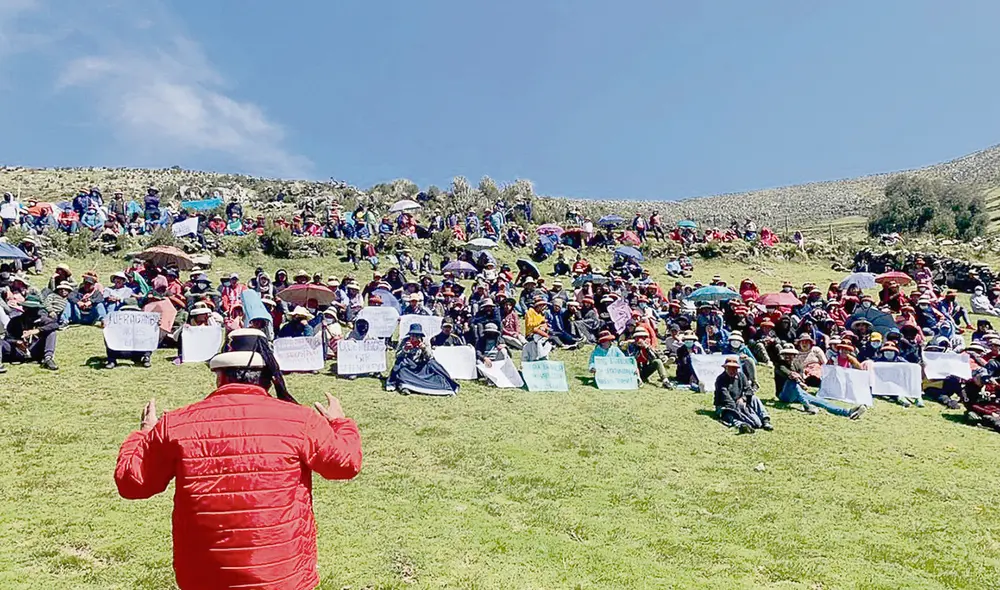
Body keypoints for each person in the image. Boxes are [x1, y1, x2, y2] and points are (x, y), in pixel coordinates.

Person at [114, 349, 361, 590]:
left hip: (204, 575)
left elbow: (133, 483)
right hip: (281, 574)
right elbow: (346, 464)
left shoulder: (176, 424)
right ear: (269, 378)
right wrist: (341, 423)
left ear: (219, 376)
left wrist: (144, 434)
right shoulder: (300, 420)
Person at [774, 343, 867, 419]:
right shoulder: (779, 364)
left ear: (794, 356)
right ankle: (806, 406)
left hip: (798, 393)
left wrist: (802, 383)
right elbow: (790, 374)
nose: (788, 357)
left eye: (790, 355)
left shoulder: (797, 365)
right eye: (786, 355)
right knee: (792, 380)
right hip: (784, 395)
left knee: (821, 402)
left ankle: (847, 412)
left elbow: (801, 378)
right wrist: (799, 381)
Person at [386, 325, 459, 396]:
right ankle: (405, 386)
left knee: (433, 365)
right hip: (408, 368)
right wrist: (405, 349)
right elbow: (397, 356)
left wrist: (424, 349)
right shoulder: (404, 341)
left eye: (417, 336)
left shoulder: (425, 342)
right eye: (412, 335)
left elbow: (430, 357)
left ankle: (443, 385)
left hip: (421, 368)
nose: (414, 338)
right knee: (400, 366)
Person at [0, 295, 59, 371]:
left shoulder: (43, 319)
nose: (31, 312)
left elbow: (55, 325)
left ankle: (48, 359)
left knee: (51, 333)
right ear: (24, 308)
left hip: (35, 349)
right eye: (28, 308)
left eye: (34, 309)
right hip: (18, 351)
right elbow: (7, 338)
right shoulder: (15, 321)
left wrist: (37, 330)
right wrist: (16, 342)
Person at [715, 357, 772, 434]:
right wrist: (737, 407)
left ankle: (765, 420)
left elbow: (749, 390)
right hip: (726, 405)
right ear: (725, 368)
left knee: (754, 399)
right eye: (730, 368)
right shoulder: (720, 379)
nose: (732, 371)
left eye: (734, 368)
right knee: (729, 414)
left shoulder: (741, 376)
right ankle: (742, 425)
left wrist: (743, 398)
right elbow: (725, 397)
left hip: (740, 401)